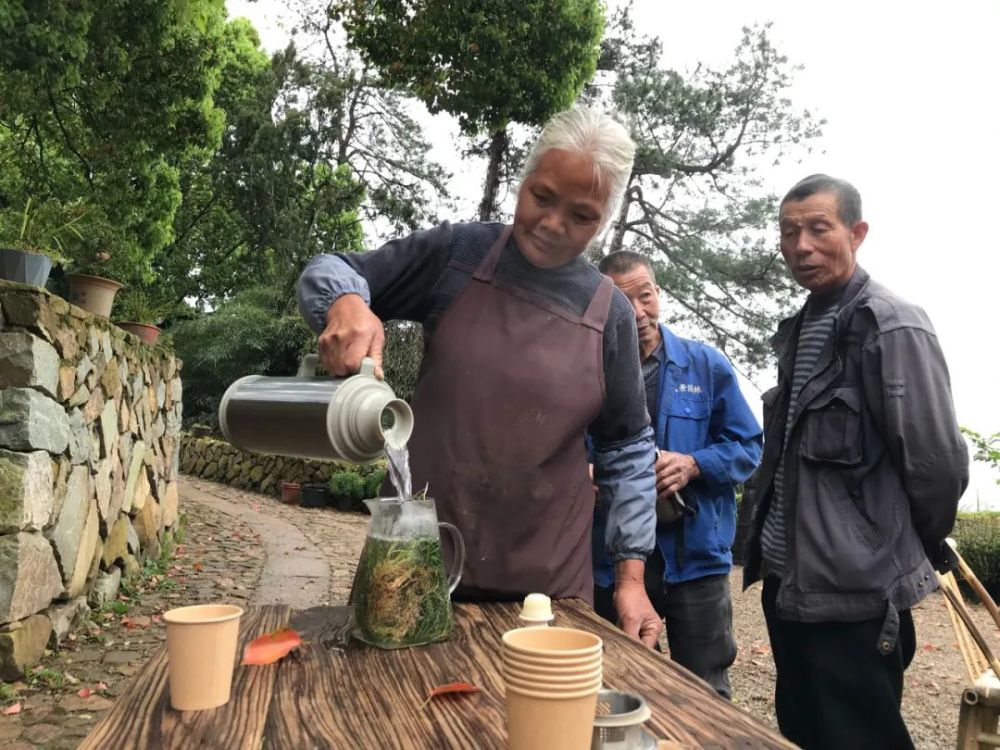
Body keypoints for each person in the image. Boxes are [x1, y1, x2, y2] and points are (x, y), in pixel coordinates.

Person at [297, 105, 664, 647]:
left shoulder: (609, 315)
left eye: (582, 216)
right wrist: (347, 301)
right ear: (524, 179)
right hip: (411, 567)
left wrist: (631, 579)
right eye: (541, 197)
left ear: (606, 218)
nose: (553, 224)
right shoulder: (459, 255)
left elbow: (628, 448)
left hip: (547, 593)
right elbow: (331, 268)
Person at [743, 174, 969, 749]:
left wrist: (888, 552)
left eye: (819, 229)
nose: (801, 246)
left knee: (860, 737)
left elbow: (937, 467)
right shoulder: (800, 328)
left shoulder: (893, 325)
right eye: (789, 233)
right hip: (789, 583)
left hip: (854, 594)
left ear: (857, 232)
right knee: (804, 730)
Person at [590, 251, 762, 698]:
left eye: (645, 296)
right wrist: (585, 472)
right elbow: (563, 447)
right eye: (621, 305)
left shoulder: (706, 366)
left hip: (694, 559)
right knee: (615, 684)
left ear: (658, 293)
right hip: (612, 561)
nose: (638, 313)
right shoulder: (590, 371)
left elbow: (749, 446)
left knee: (703, 689)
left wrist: (694, 464)